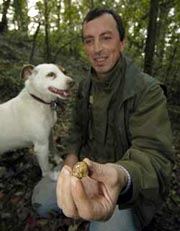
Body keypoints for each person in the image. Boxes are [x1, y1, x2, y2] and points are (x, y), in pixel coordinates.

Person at [32, 7, 174, 231]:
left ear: (122, 42)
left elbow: (156, 158)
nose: (96, 49)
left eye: (106, 38)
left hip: (126, 188)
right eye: (89, 41)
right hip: (84, 172)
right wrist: (70, 160)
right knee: (40, 201)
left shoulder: (148, 91)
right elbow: (77, 128)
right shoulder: (85, 84)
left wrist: (120, 177)